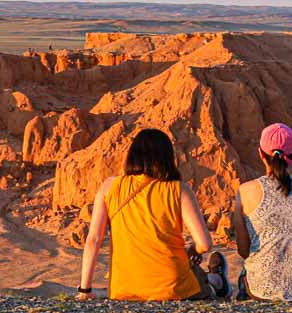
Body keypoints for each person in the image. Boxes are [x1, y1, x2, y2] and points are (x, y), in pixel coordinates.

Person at [76, 128, 229, 301]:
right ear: (167, 158)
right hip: (174, 289)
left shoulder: (109, 187)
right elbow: (205, 244)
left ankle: (213, 279)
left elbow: (93, 240)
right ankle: (216, 280)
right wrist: (193, 250)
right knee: (200, 281)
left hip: (124, 290)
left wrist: (85, 289)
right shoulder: (178, 189)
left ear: (132, 155)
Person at [232, 123, 292, 301]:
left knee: (246, 271)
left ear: (261, 153)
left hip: (262, 289)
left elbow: (244, 251)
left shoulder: (245, 191)